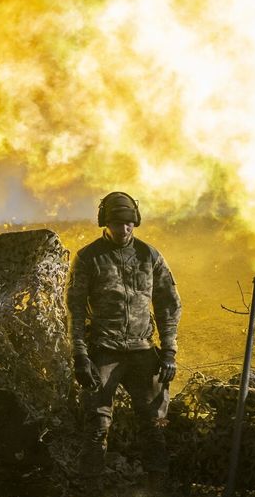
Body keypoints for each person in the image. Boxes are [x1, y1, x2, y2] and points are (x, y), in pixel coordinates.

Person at [66, 191, 182, 477]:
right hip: (104, 350)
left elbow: (169, 304)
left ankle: (159, 490)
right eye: (117, 223)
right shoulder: (88, 258)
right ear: (105, 223)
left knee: (154, 424)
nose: (124, 228)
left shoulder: (150, 255)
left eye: (129, 222)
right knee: (97, 425)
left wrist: (168, 352)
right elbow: (75, 310)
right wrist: (80, 356)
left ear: (136, 222)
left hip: (143, 350)